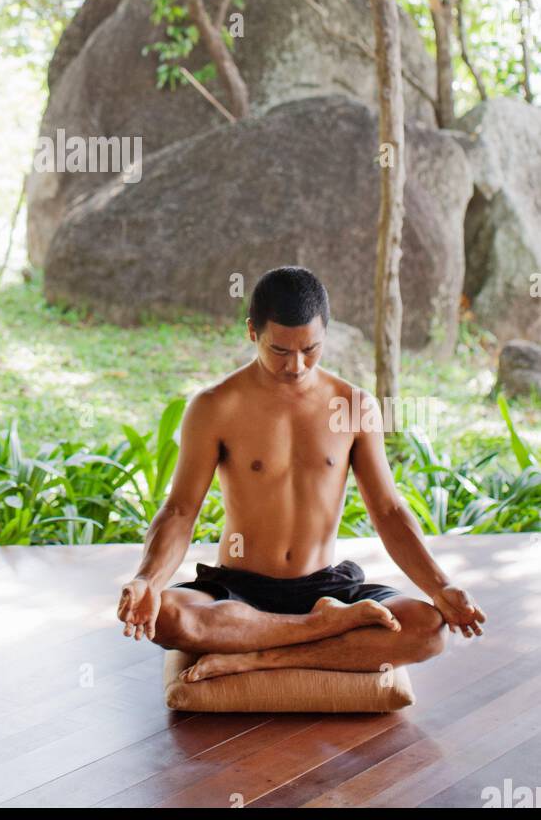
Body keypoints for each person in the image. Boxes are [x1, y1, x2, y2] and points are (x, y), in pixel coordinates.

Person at [117, 266, 486, 682]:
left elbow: (387, 509)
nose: (296, 365)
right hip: (240, 590)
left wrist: (440, 587)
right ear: (251, 332)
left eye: (311, 349)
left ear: (326, 333)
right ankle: (323, 629)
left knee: (428, 629)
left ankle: (261, 656)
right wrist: (148, 579)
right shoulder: (214, 406)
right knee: (165, 616)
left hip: (325, 589)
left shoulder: (353, 405)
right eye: (280, 350)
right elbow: (181, 510)